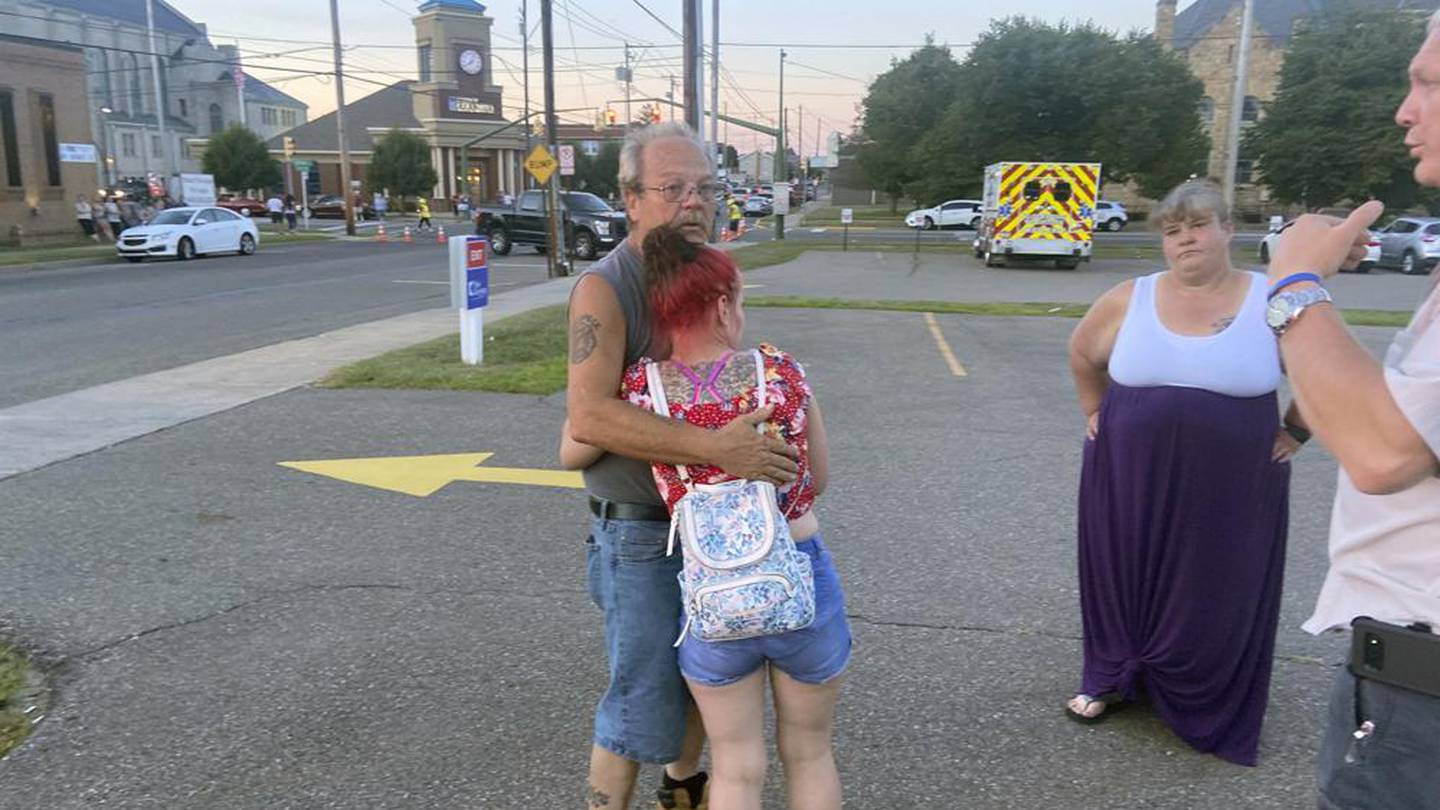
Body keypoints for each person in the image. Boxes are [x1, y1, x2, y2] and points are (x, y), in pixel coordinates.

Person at [565, 225, 848, 809]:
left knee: (738, 767)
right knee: (810, 752)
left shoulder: (643, 390)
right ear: (722, 305)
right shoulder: (782, 373)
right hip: (798, 581)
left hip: (714, 597)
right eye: (739, 301)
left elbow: (574, 446)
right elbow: (815, 479)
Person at [1065, 179, 1304, 766]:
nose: (1185, 240)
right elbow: (1082, 352)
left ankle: (1201, 690)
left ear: (1228, 229)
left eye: (1198, 225)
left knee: (1219, 579)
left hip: (1235, 478)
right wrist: (1095, 410)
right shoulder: (1131, 295)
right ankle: (1111, 672)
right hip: (1127, 470)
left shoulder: (1272, 297)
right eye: (1172, 231)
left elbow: (1321, 373)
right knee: (1122, 568)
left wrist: (1296, 430)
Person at [1268, 12, 1440, 809]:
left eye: (1428, 83)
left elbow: (1382, 451)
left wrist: (1297, 284)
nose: (1405, 109)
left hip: (1422, 702)